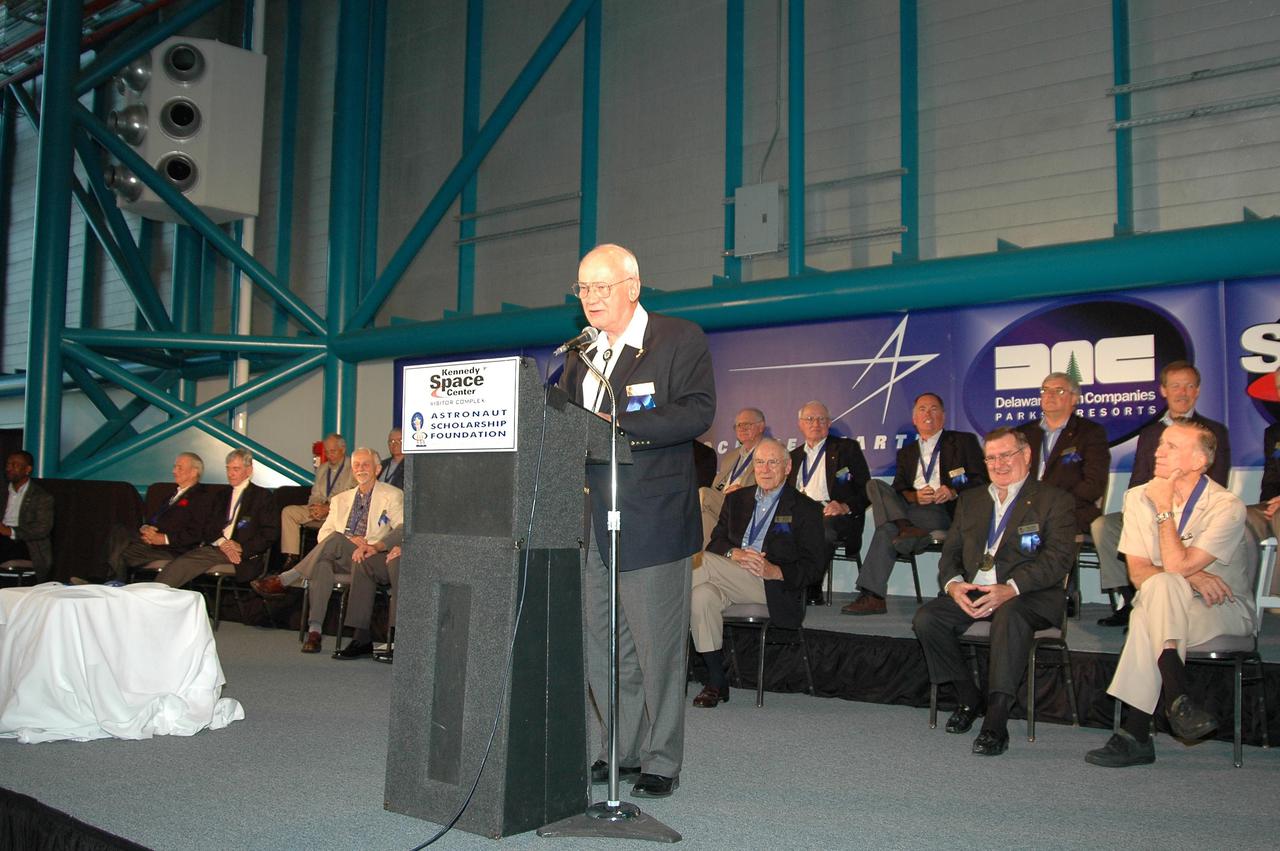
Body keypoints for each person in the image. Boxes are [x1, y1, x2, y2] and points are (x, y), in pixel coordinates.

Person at [558, 243, 715, 799]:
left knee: (658, 651)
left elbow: (698, 411)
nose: (592, 298)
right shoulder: (579, 353)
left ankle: (662, 759)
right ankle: (618, 748)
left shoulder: (677, 339)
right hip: (592, 522)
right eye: (583, 288)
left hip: (653, 518)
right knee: (605, 646)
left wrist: (618, 424)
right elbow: (562, 420)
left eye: (602, 286)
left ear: (633, 286)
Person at [1085, 420, 1254, 767]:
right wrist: (1188, 576)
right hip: (1169, 606)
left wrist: (1164, 512)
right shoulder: (1136, 496)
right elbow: (1137, 573)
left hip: (1221, 608)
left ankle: (1137, 732)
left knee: (1148, 611)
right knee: (1160, 591)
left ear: (1199, 461)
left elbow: (1173, 565)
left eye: (1171, 447)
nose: (1157, 452)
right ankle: (1177, 697)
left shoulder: (1226, 505)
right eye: (1160, 444)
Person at [911, 427, 1076, 757]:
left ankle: (996, 721)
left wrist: (1011, 589)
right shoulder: (971, 500)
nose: (999, 464)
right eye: (991, 457)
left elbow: (1057, 561)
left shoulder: (1055, 501)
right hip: (976, 589)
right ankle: (969, 698)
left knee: (1010, 616)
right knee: (927, 619)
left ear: (1026, 456)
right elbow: (950, 554)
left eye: (1006, 455)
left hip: (1030, 594)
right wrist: (954, 584)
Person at [1092, 361, 1231, 627]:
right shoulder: (1150, 433)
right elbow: (1137, 482)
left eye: (1189, 386)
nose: (1183, 392)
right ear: (1163, 391)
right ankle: (1131, 598)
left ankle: (1167, 598)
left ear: (1198, 391)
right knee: (1104, 526)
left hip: (1190, 513)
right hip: (1149, 507)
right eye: (1176, 385)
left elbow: (1218, 481)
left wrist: (1170, 507)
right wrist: (1148, 510)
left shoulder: (1213, 432)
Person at [691, 438, 825, 707]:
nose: (765, 469)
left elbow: (814, 567)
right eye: (760, 462)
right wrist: (733, 553)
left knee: (700, 563)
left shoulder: (806, 509)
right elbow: (717, 542)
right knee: (701, 595)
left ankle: (659, 626)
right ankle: (717, 680)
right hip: (730, 575)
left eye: (773, 462)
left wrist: (774, 570)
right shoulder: (737, 499)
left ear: (787, 467)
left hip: (771, 586)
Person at [844, 393, 985, 615]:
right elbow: (900, 487)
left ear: (943, 416)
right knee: (874, 485)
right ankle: (906, 528)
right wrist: (915, 496)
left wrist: (952, 491)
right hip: (910, 508)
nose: (927, 414)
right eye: (922, 409)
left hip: (942, 511)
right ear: (914, 418)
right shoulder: (907, 453)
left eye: (933, 409)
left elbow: (981, 479)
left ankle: (874, 596)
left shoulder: (962, 442)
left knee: (886, 530)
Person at [253, 447, 403, 653]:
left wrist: (367, 544)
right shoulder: (340, 499)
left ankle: (286, 579)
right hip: (342, 552)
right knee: (323, 562)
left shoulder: (392, 495)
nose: (361, 469)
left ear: (377, 469)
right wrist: (350, 539)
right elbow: (323, 535)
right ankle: (315, 631)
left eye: (366, 464)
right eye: (356, 465)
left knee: (331, 546)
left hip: (370, 557)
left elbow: (401, 528)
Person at [152, 449, 280, 589]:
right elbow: (208, 528)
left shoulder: (262, 497)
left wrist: (241, 547)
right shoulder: (221, 495)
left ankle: (153, 596)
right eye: (228, 469)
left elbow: (270, 533)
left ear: (249, 471)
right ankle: (154, 596)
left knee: (184, 563)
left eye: (235, 469)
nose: (230, 474)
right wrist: (222, 543)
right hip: (217, 548)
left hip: (243, 556)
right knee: (182, 562)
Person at [787, 400, 871, 604]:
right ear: (800, 424)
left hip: (833, 514)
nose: (815, 423)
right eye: (810, 419)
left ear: (829, 423)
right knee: (777, 526)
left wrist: (844, 506)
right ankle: (781, 584)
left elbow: (867, 489)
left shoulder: (846, 449)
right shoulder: (792, 456)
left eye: (821, 419)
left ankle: (812, 585)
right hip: (799, 513)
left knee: (821, 527)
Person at [1015, 372, 1110, 534]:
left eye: (1059, 391)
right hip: (1025, 510)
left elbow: (1093, 484)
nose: (1049, 395)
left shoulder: (1090, 433)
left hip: (1069, 511)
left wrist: (1054, 504)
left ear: (1074, 399)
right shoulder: (1023, 433)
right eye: (1045, 390)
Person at [103, 452, 211, 583]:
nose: (174, 471)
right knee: (119, 532)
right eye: (174, 467)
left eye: (179, 468)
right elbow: (154, 519)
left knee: (124, 551)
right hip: (151, 543)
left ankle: (112, 582)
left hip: (173, 549)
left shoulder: (202, 498)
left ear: (194, 472)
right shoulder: (171, 495)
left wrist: (163, 539)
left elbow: (196, 533)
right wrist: (146, 528)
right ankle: (113, 582)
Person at [278, 433, 356, 570]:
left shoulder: (353, 468)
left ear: (343, 449)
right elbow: (315, 494)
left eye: (333, 451)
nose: (330, 455)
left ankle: (325, 563)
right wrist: (315, 507)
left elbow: (349, 498)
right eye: (327, 452)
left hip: (338, 513)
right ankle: (291, 558)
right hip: (318, 509)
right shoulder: (322, 469)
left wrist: (327, 508)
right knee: (289, 512)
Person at [699, 407, 767, 544]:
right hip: (723, 502)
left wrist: (741, 491)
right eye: (738, 425)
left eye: (747, 424)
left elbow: (771, 486)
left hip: (746, 504)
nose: (741, 428)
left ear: (761, 427)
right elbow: (716, 486)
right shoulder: (731, 456)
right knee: (703, 516)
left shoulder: (769, 452)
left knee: (703, 494)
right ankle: (711, 557)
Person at [341, 525, 404, 663]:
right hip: (402, 549)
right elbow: (404, 528)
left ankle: (401, 642)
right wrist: (376, 547)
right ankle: (361, 637)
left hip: (428, 553)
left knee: (395, 562)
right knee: (364, 560)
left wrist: (408, 548)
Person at [0, 451, 54, 582]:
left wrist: (10, 531)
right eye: (8, 464)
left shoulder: (41, 496)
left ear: (28, 469)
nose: (9, 468)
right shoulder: (3, 491)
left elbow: (42, 528)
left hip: (26, 542)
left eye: (15, 464)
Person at [1246, 368, 1280, 549]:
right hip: (1277, 506)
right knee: (1243, 518)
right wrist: (1268, 506)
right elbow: (1271, 480)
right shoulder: (1274, 433)